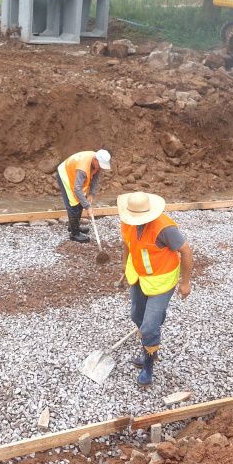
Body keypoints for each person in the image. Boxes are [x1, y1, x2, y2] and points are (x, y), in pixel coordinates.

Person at [118, 191, 193, 387]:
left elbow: (185, 251)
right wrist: (125, 264)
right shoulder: (127, 221)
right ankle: (152, 341)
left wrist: (185, 283)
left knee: (149, 326)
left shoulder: (164, 228)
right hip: (138, 275)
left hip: (161, 279)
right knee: (137, 316)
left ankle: (148, 364)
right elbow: (127, 243)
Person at [56, 149, 111, 243]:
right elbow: (77, 190)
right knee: (73, 202)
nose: (100, 167)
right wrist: (88, 206)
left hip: (75, 174)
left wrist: (91, 194)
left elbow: (95, 179)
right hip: (65, 174)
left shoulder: (96, 162)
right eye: (100, 165)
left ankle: (74, 226)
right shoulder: (83, 168)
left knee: (82, 199)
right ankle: (74, 234)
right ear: (95, 160)